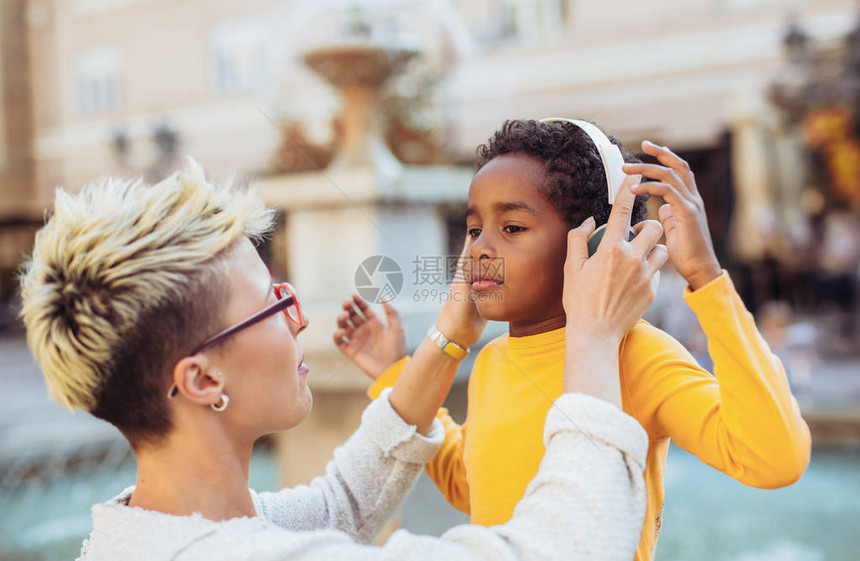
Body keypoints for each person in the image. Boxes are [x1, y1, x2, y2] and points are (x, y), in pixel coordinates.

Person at [20, 160, 666, 560]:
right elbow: (570, 549)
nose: (300, 319)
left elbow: (343, 500)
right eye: (274, 302)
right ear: (202, 376)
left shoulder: (152, 528)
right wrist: (592, 335)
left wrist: (446, 337)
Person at [334, 119, 812, 561]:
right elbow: (471, 483)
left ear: (599, 242)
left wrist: (706, 279)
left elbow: (773, 458)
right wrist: (396, 371)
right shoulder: (493, 361)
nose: (479, 247)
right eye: (475, 228)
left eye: (512, 227)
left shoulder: (637, 355)